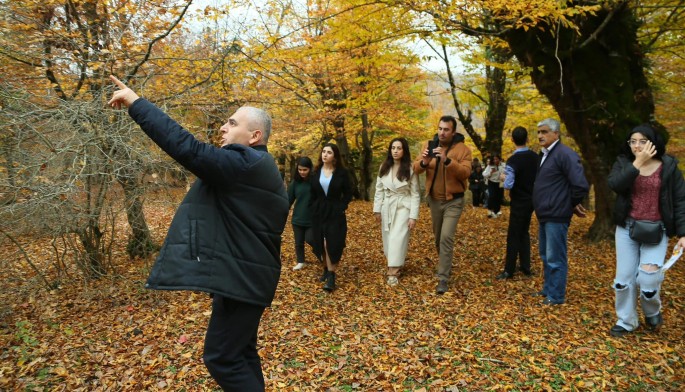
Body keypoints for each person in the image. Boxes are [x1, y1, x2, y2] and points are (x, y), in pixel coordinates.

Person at [108, 76, 289, 391]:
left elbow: (187, 149)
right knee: (239, 353)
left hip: (242, 280)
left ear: (254, 136)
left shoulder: (245, 162)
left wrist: (137, 103)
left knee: (222, 358)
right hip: (243, 278)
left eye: (232, 124)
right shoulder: (257, 165)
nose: (223, 127)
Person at [607, 124, 685, 337]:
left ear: (652, 142)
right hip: (627, 229)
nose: (637, 145)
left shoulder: (668, 166)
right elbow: (615, 184)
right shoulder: (623, 163)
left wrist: (683, 233)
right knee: (623, 280)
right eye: (633, 141)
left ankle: (652, 310)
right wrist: (637, 164)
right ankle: (626, 321)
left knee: (649, 280)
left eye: (642, 141)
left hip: (657, 231)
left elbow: (680, 200)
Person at [532, 118, 589, 305]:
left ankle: (556, 296)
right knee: (545, 255)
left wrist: (569, 204)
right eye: (539, 132)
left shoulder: (565, 154)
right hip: (545, 213)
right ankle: (549, 289)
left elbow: (580, 185)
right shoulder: (546, 154)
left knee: (555, 257)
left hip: (557, 214)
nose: (540, 135)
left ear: (556, 133)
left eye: (544, 132)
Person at [414, 115, 472, 294]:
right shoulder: (429, 145)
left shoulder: (463, 149)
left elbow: (465, 173)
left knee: (446, 237)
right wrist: (423, 162)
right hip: (434, 200)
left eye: (446, 129)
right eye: (440, 128)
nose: (442, 132)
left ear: (453, 132)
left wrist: (447, 160)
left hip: (453, 201)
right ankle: (445, 263)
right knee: (438, 238)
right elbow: (415, 168)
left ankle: (443, 278)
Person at [373, 137, 420, 286]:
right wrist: (377, 210)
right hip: (387, 205)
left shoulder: (410, 169)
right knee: (388, 239)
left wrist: (413, 216)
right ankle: (395, 262)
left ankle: (392, 272)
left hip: (403, 206)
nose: (395, 151)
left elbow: (415, 194)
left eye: (399, 148)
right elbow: (379, 190)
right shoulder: (384, 167)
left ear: (404, 150)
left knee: (397, 238)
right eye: (393, 148)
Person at [496, 126, 539, 279]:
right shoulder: (536, 158)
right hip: (532, 200)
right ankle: (526, 266)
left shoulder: (513, 160)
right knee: (524, 232)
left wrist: (502, 177)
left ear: (512, 140)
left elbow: (508, 184)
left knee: (514, 234)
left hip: (519, 200)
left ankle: (509, 270)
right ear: (527, 139)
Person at [310, 143, 353, 292]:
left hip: (335, 212)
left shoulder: (342, 173)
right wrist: (312, 207)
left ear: (334, 156)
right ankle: (326, 270)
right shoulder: (315, 172)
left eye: (329, 152)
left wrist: (341, 206)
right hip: (319, 212)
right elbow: (312, 193)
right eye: (323, 151)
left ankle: (331, 276)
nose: (325, 154)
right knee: (320, 241)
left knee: (332, 242)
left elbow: (348, 193)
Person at [288, 157, 315, 271]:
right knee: (298, 242)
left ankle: (322, 253)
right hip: (298, 218)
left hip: (312, 219)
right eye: (300, 170)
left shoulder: (315, 182)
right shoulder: (295, 183)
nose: (302, 172)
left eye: (305, 170)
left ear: (310, 169)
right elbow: (289, 200)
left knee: (311, 239)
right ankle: (301, 261)